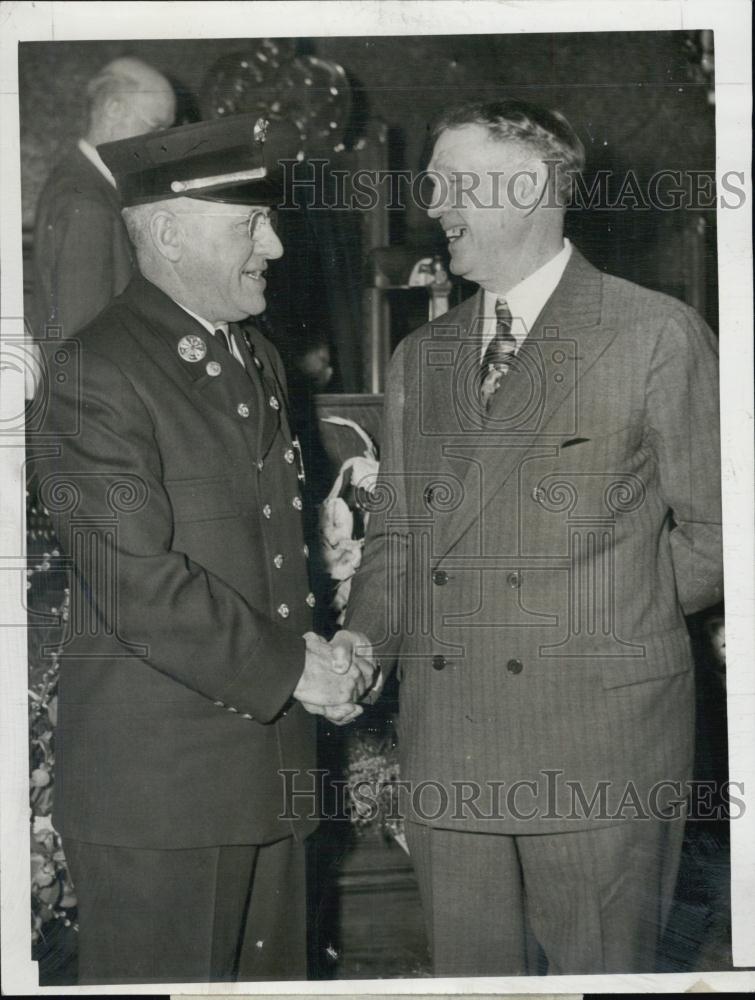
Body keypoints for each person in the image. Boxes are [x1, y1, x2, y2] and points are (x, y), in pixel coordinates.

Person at [340, 99, 723, 975]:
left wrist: (592, 613)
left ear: (527, 188)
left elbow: (719, 533)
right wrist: (366, 640)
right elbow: (396, 541)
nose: (430, 203)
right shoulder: (419, 360)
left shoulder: (653, 334)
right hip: (448, 746)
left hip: (598, 745)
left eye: (449, 181)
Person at [37, 112, 373, 985]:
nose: (277, 244)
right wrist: (295, 669)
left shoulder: (249, 353)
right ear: (169, 234)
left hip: (268, 778)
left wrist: (321, 610)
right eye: (249, 224)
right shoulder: (95, 371)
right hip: (164, 793)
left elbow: (256, 547)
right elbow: (137, 582)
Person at [32, 57, 176, 339]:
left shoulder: (84, 181)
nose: (163, 144)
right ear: (114, 109)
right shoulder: (87, 202)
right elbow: (82, 335)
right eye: (156, 127)